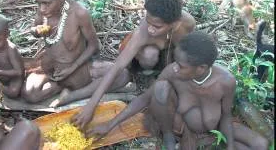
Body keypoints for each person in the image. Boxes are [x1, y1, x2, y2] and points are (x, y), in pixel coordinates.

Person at [87, 32, 269, 150]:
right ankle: (170, 137)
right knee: (160, 87)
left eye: (181, 66)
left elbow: (227, 116)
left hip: (216, 128)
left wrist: (229, 145)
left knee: (261, 144)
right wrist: (109, 125)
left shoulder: (226, 81)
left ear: (201, 68)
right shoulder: (172, 73)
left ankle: (216, 143)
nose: (174, 68)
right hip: (187, 130)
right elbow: (144, 99)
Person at [72, 0, 196, 129]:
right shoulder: (143, 31)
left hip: (169, 55)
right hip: (146, 57)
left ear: (175, 24)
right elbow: (117, 67)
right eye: (148, 22)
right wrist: (91, 105)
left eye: (157, 26)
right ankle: (148, 75)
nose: (150, 29)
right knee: (149, 55)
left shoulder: (187, 24)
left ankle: (160, 78)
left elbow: (184, 57)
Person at [22, 0, 130, 105]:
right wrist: (35, 32)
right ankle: (61, 87)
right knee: (29, 95)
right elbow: (37, 29)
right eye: (39, 3)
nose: (42, 8)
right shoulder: (43, 13)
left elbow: (94, 46)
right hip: (50, 70)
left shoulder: (79, 13)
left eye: (47, 3)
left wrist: (72, 68)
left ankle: (73, 95)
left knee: (122, 75)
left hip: (77, 70)